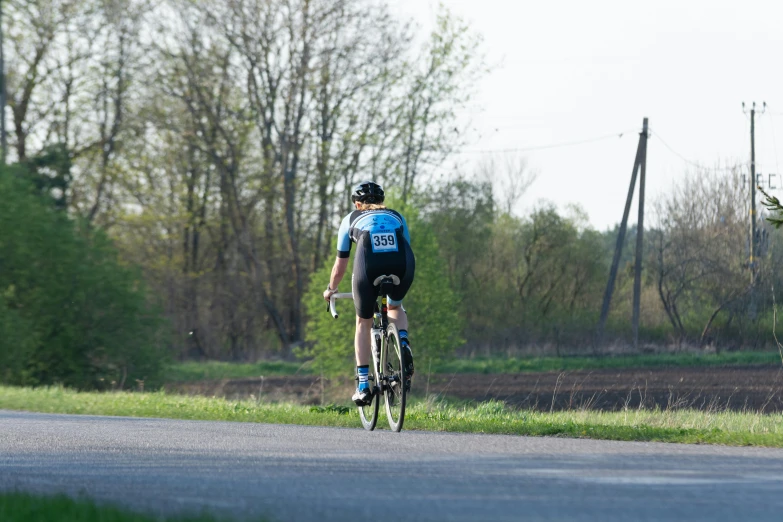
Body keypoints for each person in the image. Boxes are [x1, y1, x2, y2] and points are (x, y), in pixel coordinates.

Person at [322, 180, 415, 405]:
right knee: (395, 306)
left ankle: (363, 385)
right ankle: (402, 342)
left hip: (369, 264)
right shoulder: (397, 216)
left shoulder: (350, 219)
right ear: (382, 202)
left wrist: (331, 289)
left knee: (363, 322)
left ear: (357, 204)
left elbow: (340, 266)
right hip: (402, 264)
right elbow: (406, 247)